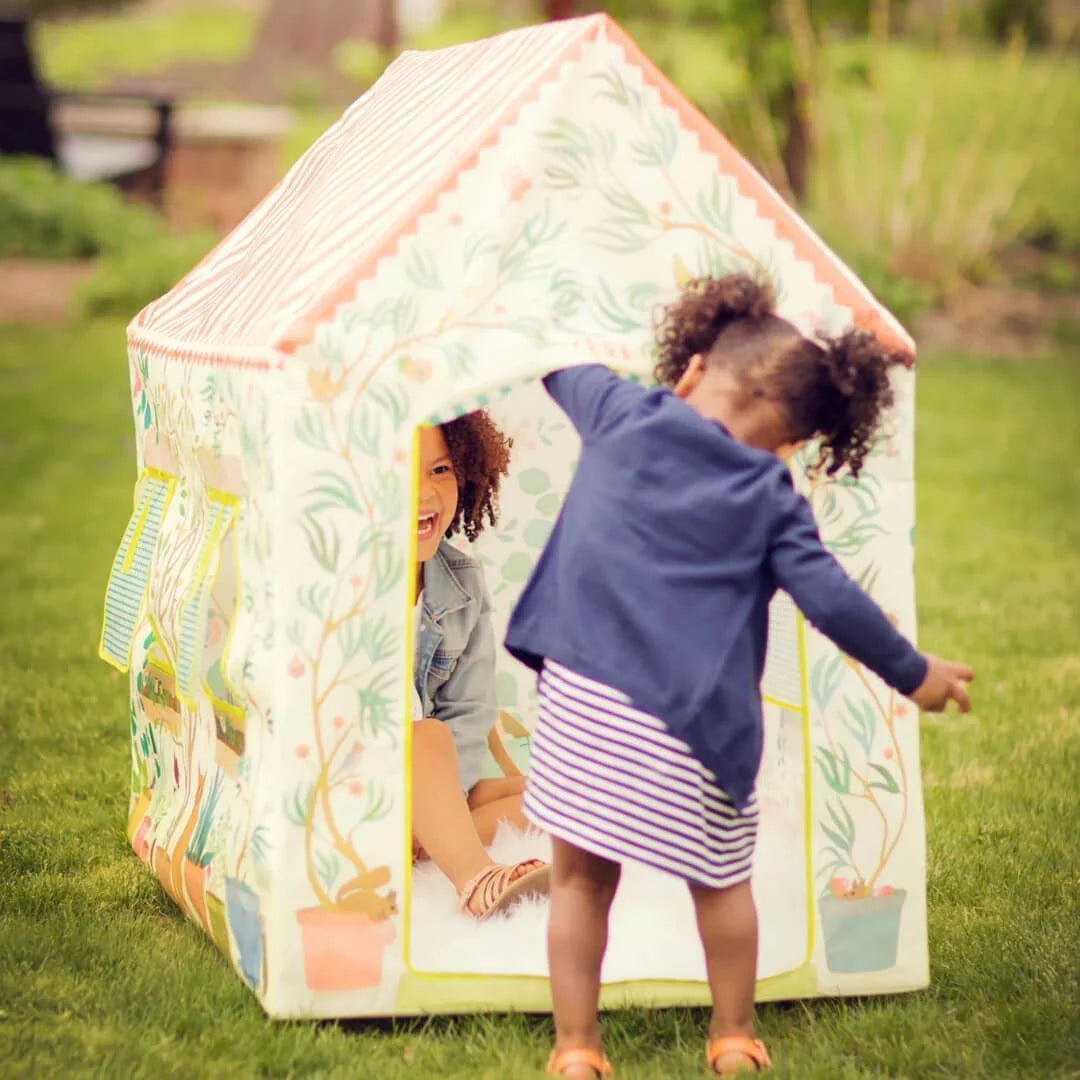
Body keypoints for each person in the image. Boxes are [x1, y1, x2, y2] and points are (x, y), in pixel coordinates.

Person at [504, 273, 974, 1076]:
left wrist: (520, 300)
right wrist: (914, 672)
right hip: (693, 728)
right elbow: (831, 599)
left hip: (584, 705)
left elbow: (555, 359)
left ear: (688, 372)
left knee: (579, 882)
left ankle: (577, 1050)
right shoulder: (770, 494)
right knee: (720, 885)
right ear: (793, 442)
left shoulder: (621, 412)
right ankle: (731, 1036)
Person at [412, 411, 550, 920]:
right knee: (424, 738)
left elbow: (469, 712)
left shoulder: (463, 584)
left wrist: (440, 801)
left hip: (433, 780)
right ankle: (476, 877)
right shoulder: (345, 580)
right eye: (402, 472)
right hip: (362, 781)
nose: (424, 494)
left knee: (548, 796)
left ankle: (433, 834)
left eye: (440, 471)